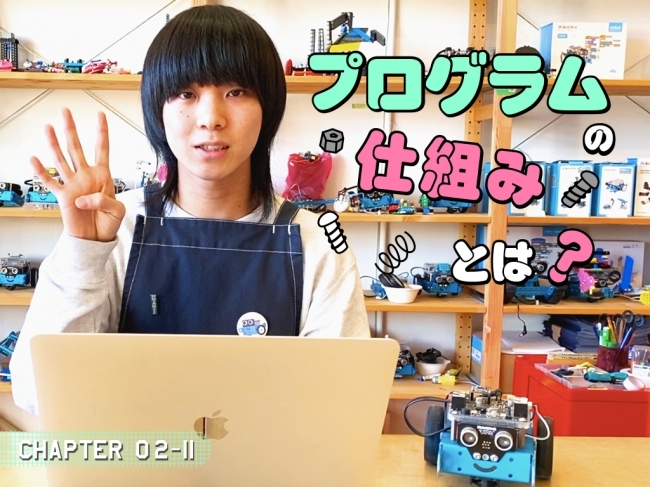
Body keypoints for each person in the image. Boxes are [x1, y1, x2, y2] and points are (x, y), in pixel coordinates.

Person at [11, 5, 370, 416]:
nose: (210, 118)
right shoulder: (112, 227)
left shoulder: (319, 243)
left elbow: (342, 407)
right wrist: (83, 253)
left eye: (236, 92)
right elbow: (36, 392)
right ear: (157, 110)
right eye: (186, 93)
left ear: (268, 108)